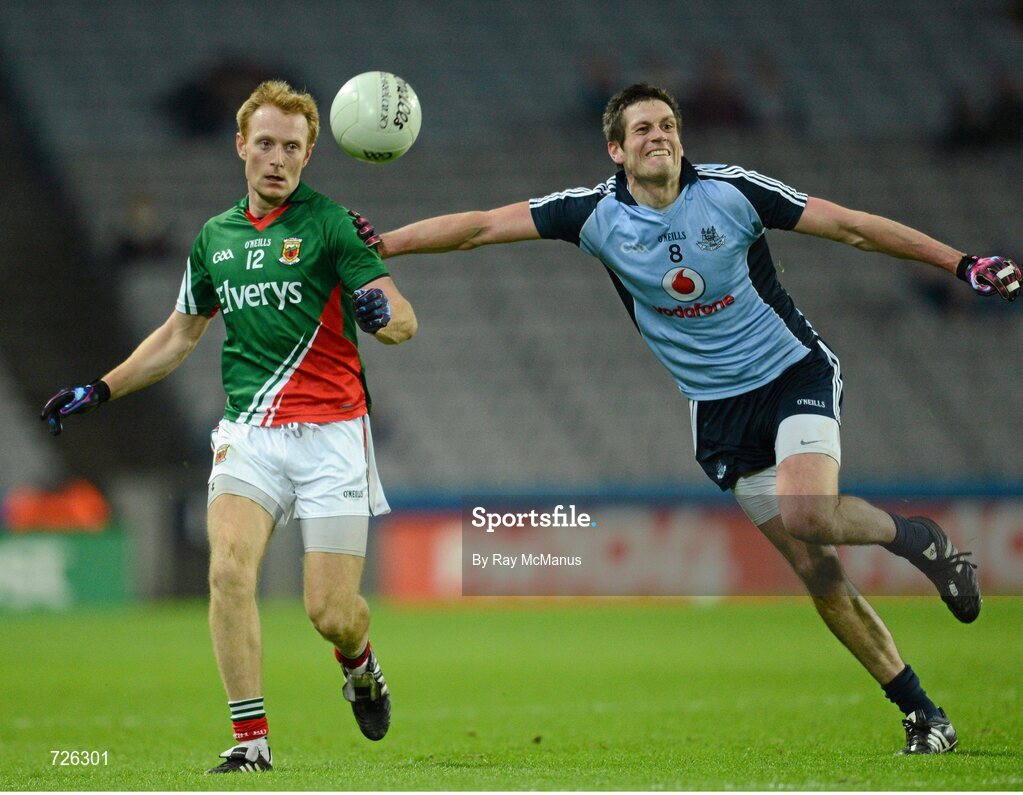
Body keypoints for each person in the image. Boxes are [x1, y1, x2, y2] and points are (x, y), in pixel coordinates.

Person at [365, 83, 1021, 755]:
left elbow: (851, 225)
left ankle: (916, 539)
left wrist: (962, 263)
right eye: (642, 128)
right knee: (819, 575)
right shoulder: (592, 214)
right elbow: (477, 228)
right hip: (717, 413)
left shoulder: (731, 194)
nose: (659, 135)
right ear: (615, 150)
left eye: (668, 125)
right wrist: (381, 247)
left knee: (807, 511)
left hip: (792, 373)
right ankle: (920, 711)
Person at [40, 80, 417, 773]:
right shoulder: (215, 238)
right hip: (250, 434)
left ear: (308, 156)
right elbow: (178, 335)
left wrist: (378, 316)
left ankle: (360, 665)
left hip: (334, 433)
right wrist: (102, 386)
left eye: (293, 148)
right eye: (266, 143)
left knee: (332, 612)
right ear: (241, 144)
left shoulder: (332, 225)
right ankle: (251, 742)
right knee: (229, 572)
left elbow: (402, 317)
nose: (277, 158)